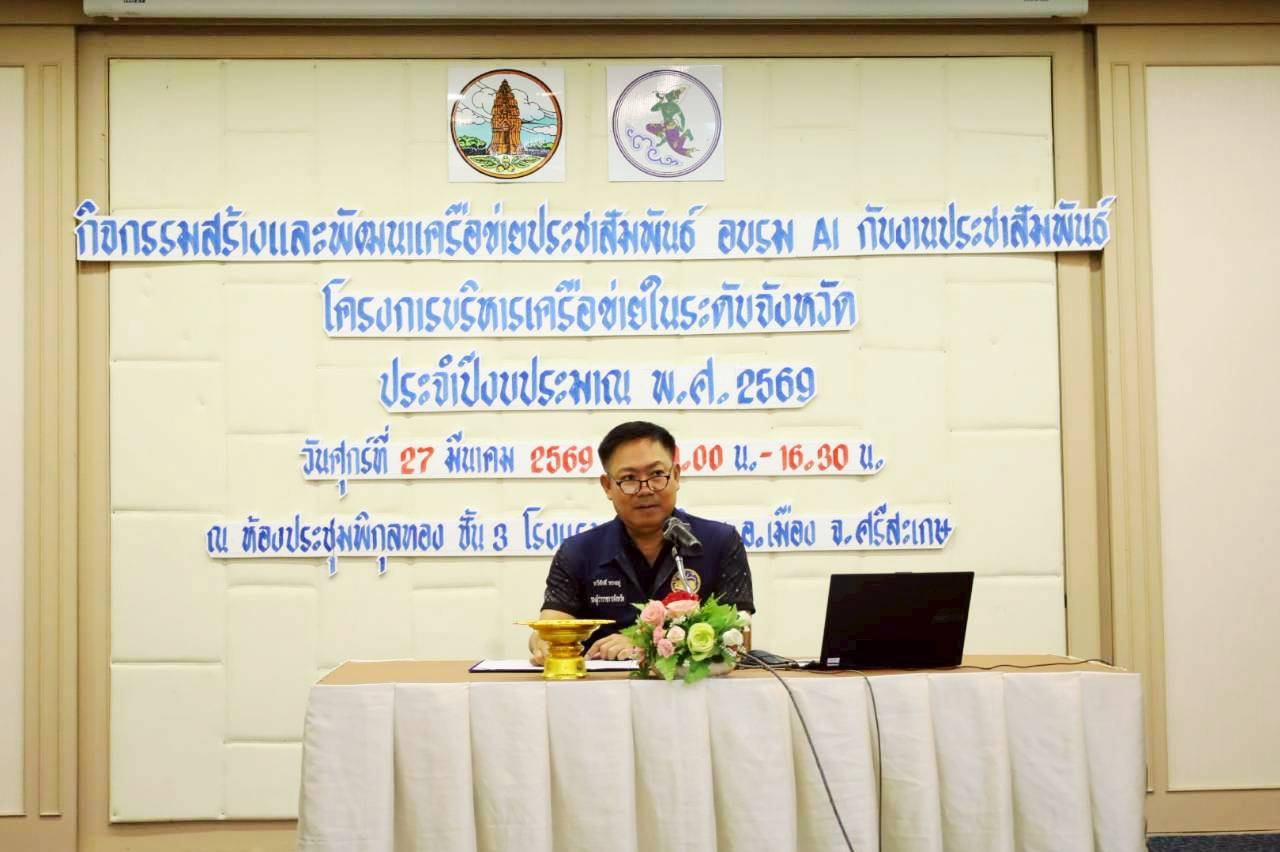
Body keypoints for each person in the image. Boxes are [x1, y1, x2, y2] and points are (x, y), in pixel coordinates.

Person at [529, 420, 755, 664]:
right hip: (603, 686)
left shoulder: (719, 542)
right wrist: (543, 642)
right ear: (607, 486)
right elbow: (551, 623)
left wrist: (644, 644)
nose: (645, 489)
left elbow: (739, 637)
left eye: (657, 474)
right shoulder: (578, 551)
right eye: (629, 478)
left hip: (688, 685)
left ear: (676, 476)